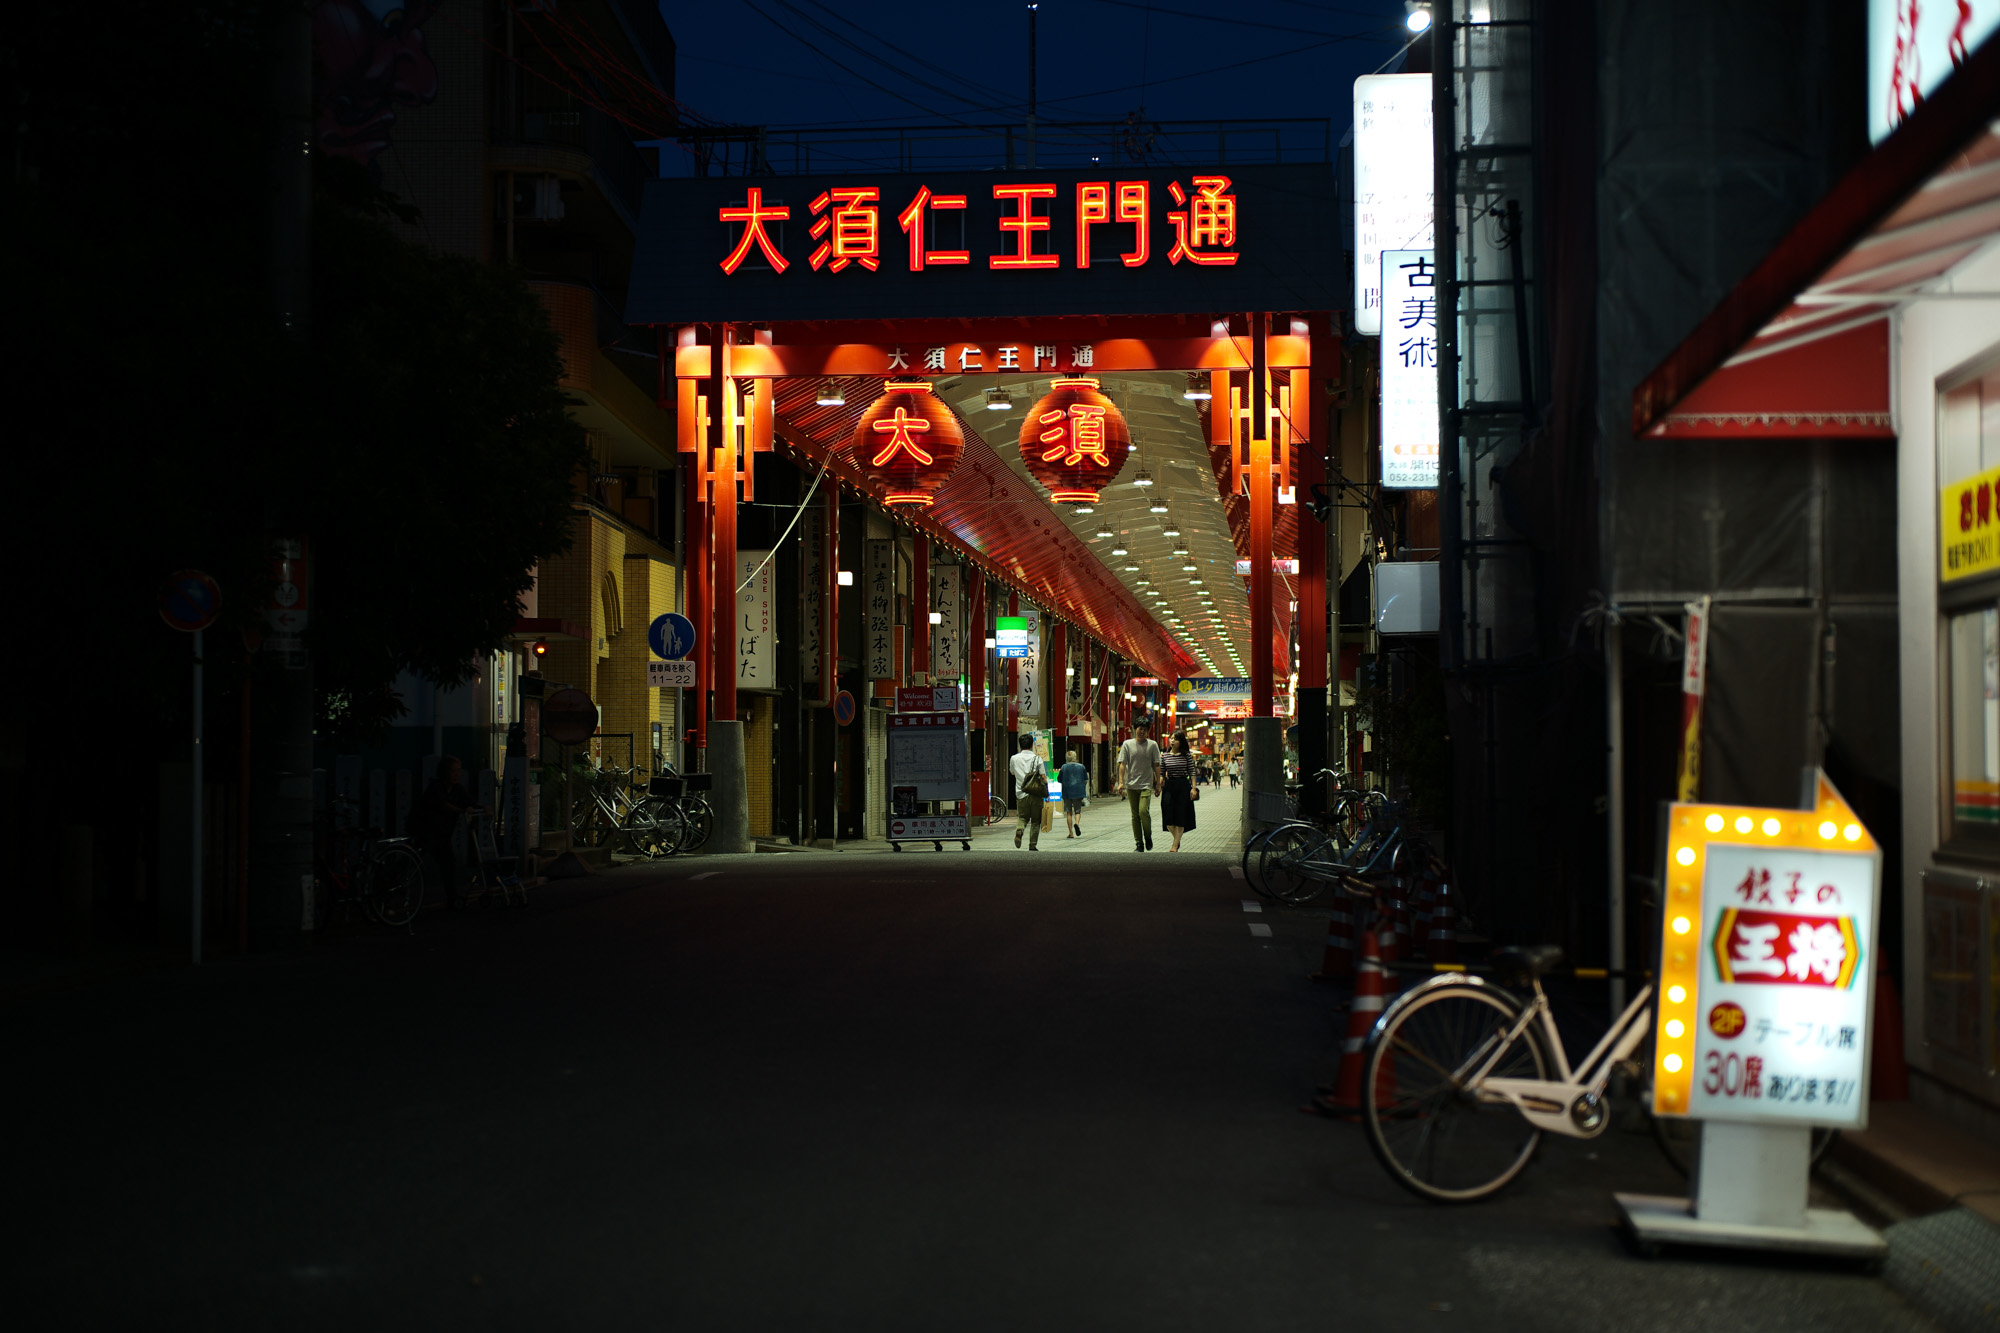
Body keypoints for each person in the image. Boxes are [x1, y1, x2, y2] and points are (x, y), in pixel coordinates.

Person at [413, 756, 480, 906]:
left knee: (448, 864)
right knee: (415, 860)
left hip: (442, 834)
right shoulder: (435, 787)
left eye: (458, 771)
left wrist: (483, 808)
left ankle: (452, 898)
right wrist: (463, 810)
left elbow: (471, 802)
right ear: (444, 772)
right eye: (453, 771)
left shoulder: (458, 789)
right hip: (425, 830)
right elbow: (443, 805)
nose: (457, 774)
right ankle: (394, 885)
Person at [1116, 719, 1163, 852]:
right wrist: (1121, 783)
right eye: (1139, 728)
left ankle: (1148, 836)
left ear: (1148, 731)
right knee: (1135, 815)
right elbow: (1122, 764)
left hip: (1146, 785)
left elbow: (1157, 765)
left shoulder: (1152, 745)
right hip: (1131, 785)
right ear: (1134, 729)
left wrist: (1158, 784)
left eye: (1144, 729)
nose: (1141, 731)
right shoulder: (1127, 744)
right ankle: (1139, 844)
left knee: (1143, 811)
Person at [1159, 731, 1198, 851]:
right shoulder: (1165, 756)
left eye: (1175, 739)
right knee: (1168, 817)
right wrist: (1159, 785)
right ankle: (1177, 838)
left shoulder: (1186, 756)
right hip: (1169, 786)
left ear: (1181, 741)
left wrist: (1193, 788)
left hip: (1183, 786)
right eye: (1171, 738)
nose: (1172, 740)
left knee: (1181, 815)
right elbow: (1162, 773)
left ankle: (1175, 845)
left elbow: (1192, 772)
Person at [1009, 735, 1047, 850]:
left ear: (1020, 745)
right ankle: (1032, 845)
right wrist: (1047, 790)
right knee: (1036, 820)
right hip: (1036, 794)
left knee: (1022, 817)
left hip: (1021, 793)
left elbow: (1012, 773)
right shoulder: (1037, 759)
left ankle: (1019, 831)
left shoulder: (1014, 758)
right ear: (1032, 745)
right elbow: (1043, 777)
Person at [1058, 749, 1090, 839]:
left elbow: (1059, 779)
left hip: (1067, 792)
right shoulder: (1081, 767)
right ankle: (1076, 823)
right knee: (1077, 810)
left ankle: (1071, 833)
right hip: (1078, 791)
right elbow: (1085, 780)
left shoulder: (1063, 767)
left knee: (1068, 812)